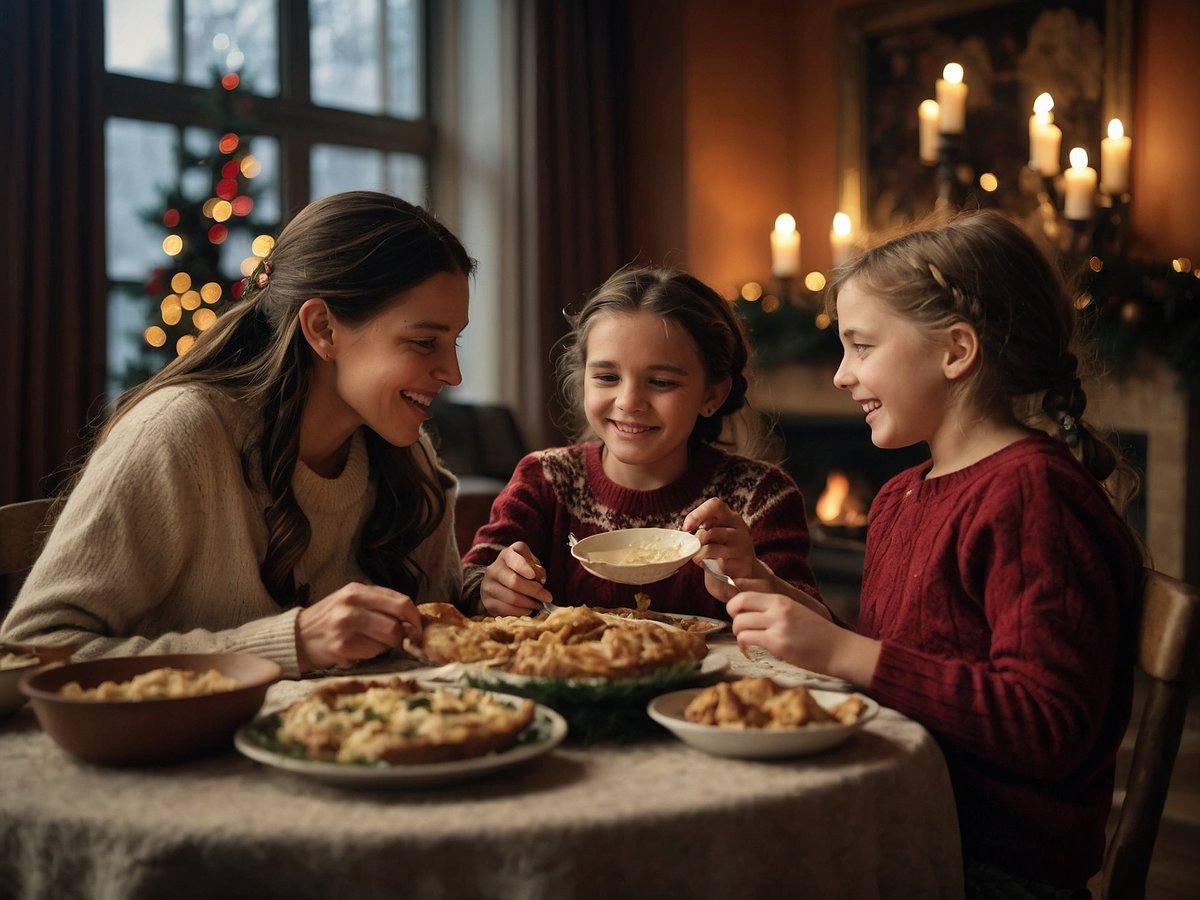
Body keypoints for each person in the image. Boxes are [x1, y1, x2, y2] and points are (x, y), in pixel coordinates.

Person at [725, 209, 1142, 898]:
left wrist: (841, 652)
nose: (839, 375)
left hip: (992, 866)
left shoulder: (1033, 496)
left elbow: (1047, 723)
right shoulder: (898, 497)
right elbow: (911, 659)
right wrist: (768, 589)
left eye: (860, 346)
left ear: (955, 352)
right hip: (904, 814)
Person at [2, 191, 475, 677]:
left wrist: (482, 592)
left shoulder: (407, 458)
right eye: (424, 342)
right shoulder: (178, 435)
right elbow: (33, 648)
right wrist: (289, 643)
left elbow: (439, 623)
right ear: (323, 329)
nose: (453, 373)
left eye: (453, 341)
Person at [462, 265, 828, 622]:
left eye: (661, 382)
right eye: (607, 376)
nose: (628, 401)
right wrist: (488, 588)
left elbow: (821, 629)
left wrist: (754, 577)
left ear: (712, 394)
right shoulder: (544, 480)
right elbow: (467, 583)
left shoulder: (760, 497)